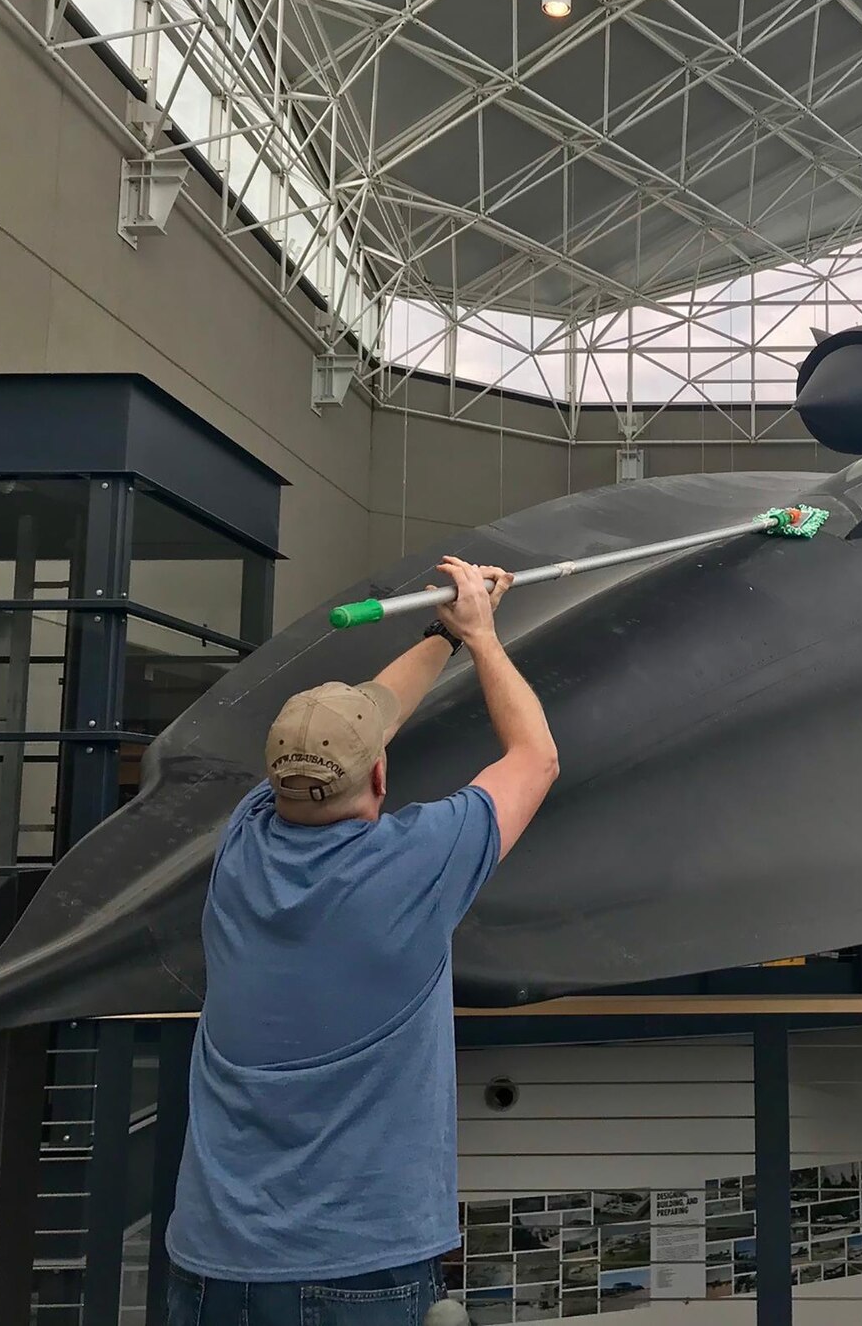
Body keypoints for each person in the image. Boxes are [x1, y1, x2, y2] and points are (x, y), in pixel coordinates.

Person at [166, 556, 560, 1326]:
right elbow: (534, 759)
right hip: (360, 1270)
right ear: (381, 777)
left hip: (211, 1266)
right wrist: (482, 638)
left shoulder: (243, 845)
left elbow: (367, 721)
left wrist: (443, 632)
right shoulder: (413, 866)